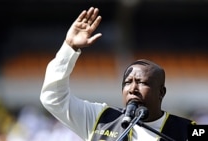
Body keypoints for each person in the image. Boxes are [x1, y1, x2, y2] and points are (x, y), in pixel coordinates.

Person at [40, 7, 196, 141]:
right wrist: (69, 48)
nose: (133, 88)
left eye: (142, 83)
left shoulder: (187, 130)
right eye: (127, 82)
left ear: (161, 92)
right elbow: (53, 98)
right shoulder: (100, 118)